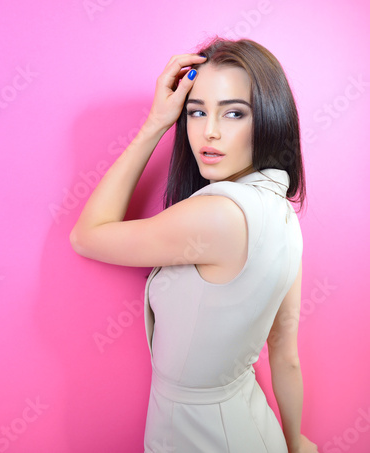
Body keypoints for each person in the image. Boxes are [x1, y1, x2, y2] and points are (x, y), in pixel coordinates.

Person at [70, 37, 318, 453]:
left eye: (234, 113)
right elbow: (285, 353)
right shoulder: (284, 217)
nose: (210, 131)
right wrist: (296, 440)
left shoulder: (218, 215)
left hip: (204, 436)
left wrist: (154, 124)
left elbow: (86, 235)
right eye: (196, 112)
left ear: (271, 119)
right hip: (251, 427)